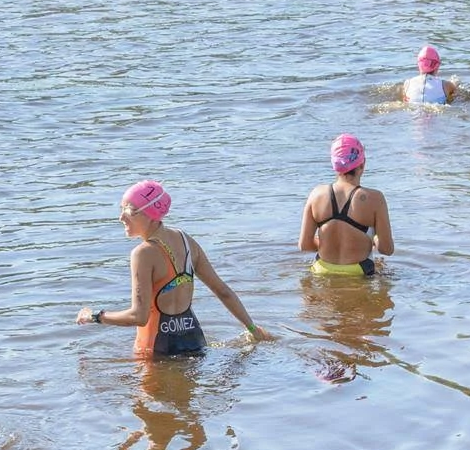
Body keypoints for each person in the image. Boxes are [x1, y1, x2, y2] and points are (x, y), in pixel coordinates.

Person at [75, 181, 272, 356]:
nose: (121, 218)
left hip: (155, 351)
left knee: (141, 398)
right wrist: (253, 329)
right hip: (194, 341)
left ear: (150, 214)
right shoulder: (186, 241)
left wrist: (95, 317)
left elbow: (139, 316)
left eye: (129, 210)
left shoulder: (142, 253)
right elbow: (223, 291)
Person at [298, 135, 394, 276]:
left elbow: (304, 245)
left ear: (334, 165)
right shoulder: (375, 199)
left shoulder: (316, 194)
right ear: (363, 164)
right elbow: (387, 249)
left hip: (321, 270)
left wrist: (329, 244)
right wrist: (374, 239)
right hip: (358, 272)